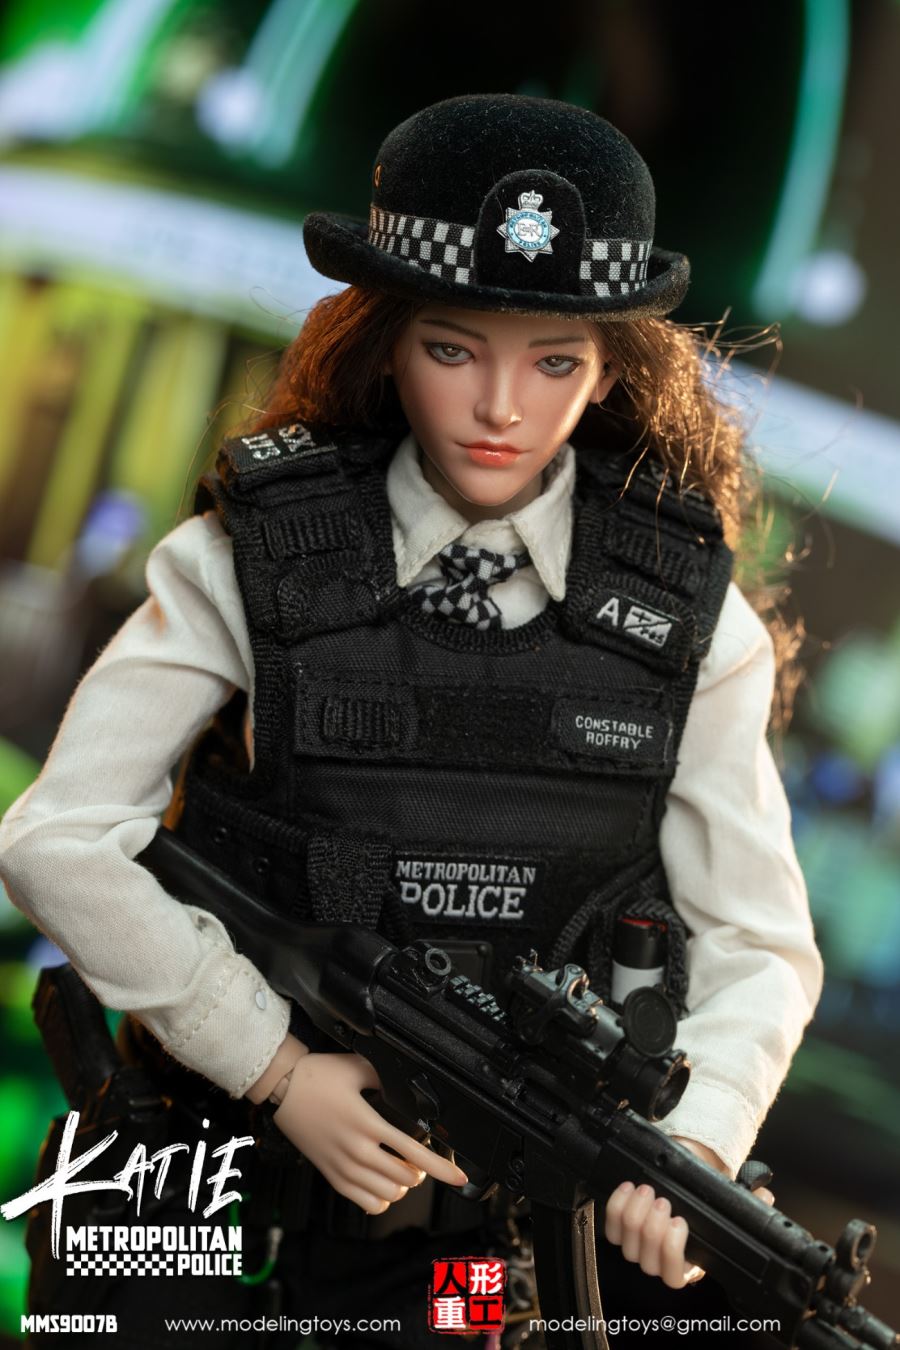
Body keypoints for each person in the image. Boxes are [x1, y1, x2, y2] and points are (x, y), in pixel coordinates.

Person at [0, 94, 821, 1347]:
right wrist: (272, 1065)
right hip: (222, 1157)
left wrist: (695, 1142)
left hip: (461, 1221)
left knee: (480, 1322)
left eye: (554, 362)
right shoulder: (252, 559)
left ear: (610, 371)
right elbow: (55, 837)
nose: (501, 406)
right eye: (453, 349)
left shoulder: (688, 621)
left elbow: (761, 945)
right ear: (387, 343)